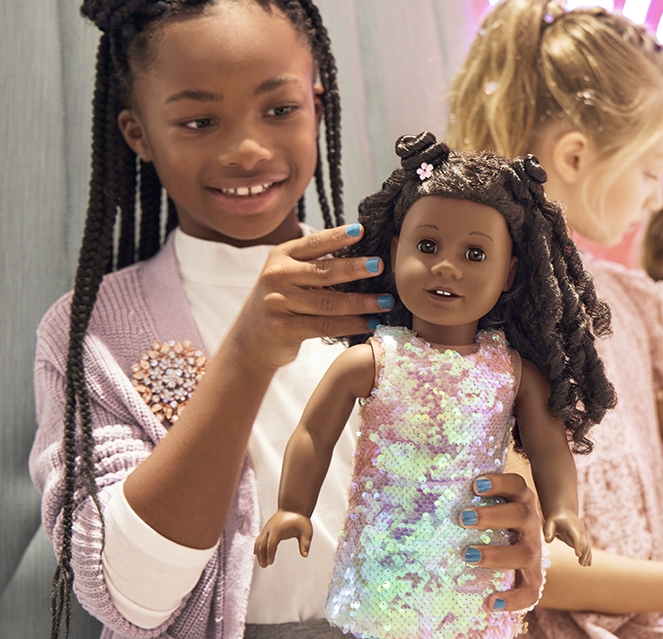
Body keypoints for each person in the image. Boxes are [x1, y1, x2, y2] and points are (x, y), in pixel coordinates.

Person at [30, 2, 545, 638]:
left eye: (280, 109)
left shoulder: (415, 293)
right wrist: (246, 355)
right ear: (138, 134)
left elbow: (491, 474)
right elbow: (131, 598)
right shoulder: (93, 334)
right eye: (197, 120)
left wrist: (514, 534)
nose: (247, 150)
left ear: (317, 104)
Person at [254, 132, 615, 639]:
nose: (447, 265)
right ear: (397, 249)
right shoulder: (372, 360)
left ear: (509, 274)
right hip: (384, 566)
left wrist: (562, 509)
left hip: (470, 574)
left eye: (475, 254)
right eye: (428, 246)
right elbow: (313, 435)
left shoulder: (511, 372)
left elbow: (548, 444)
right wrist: (294, 506)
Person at [447, 1, 663, 636]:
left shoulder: (631, 304)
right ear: (573, 157)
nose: (657, 194)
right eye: (650, 170)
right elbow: (523, 552)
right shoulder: (494, 319)